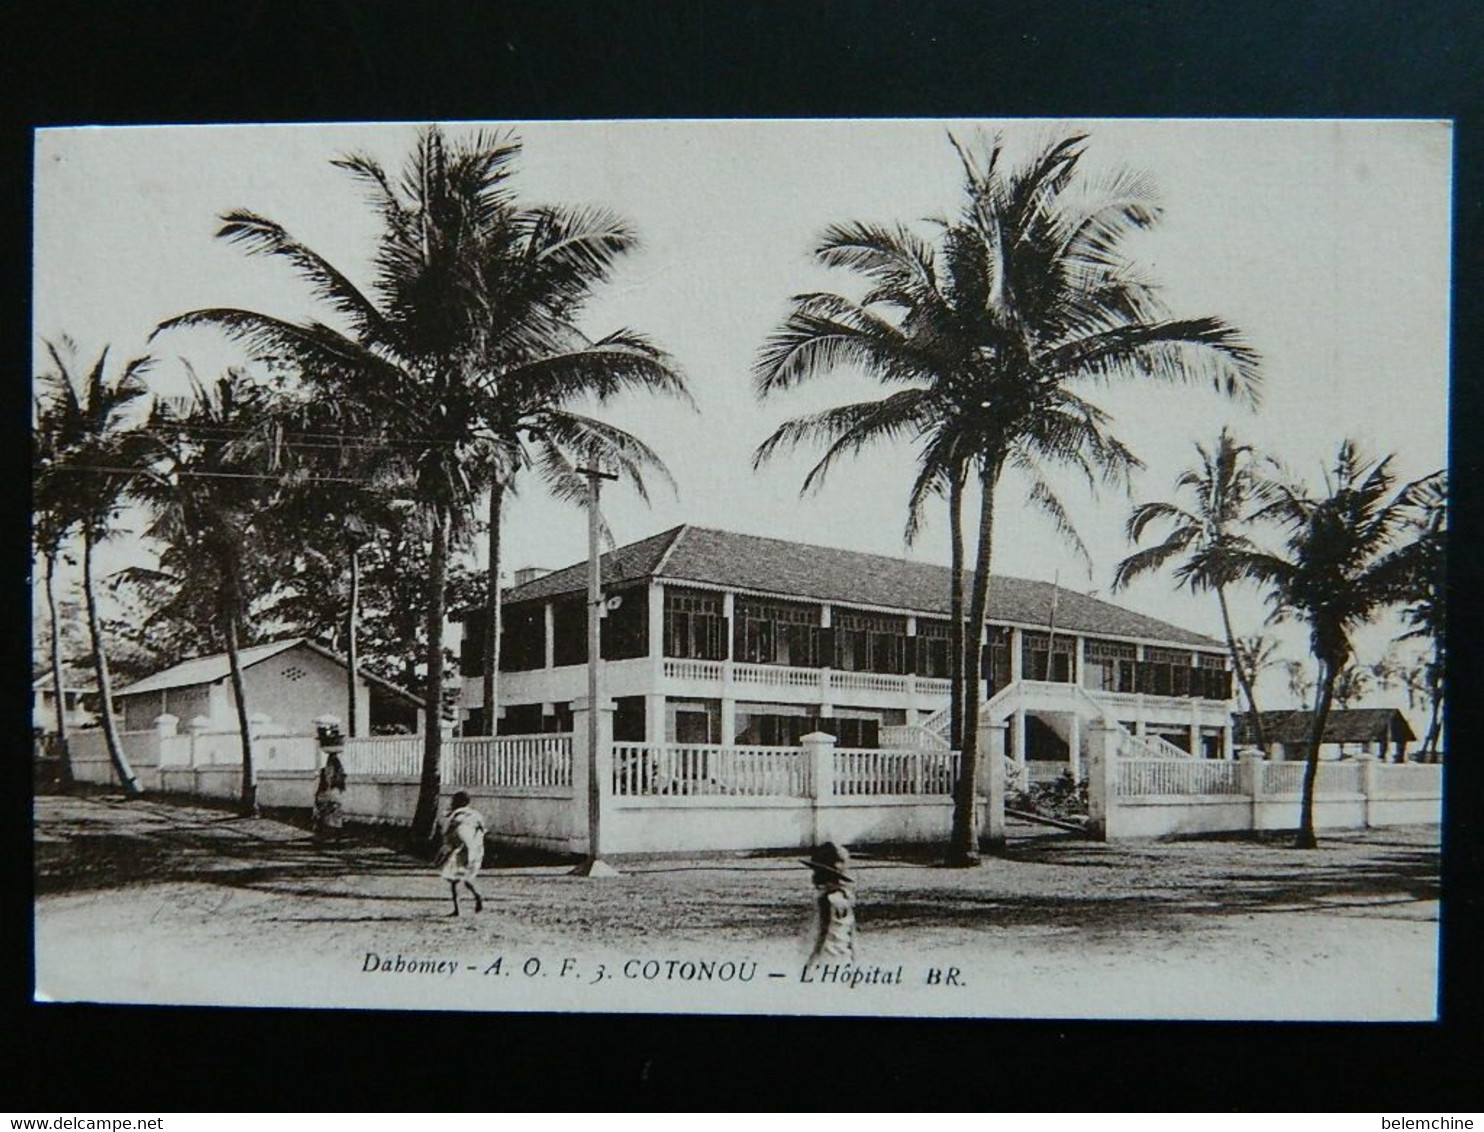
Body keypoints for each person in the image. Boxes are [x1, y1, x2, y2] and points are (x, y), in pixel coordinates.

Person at [802, 841, 856, 963]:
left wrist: (812, 961)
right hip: (845, 959)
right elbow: (852, 936)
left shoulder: (825, 899)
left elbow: (823, 934)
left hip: (827, 959)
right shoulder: (846, 897)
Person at [437, 791, 487, 916]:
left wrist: (446, 846)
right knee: (468, 878)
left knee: (454, 880)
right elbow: (483, 830)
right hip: (474, 850)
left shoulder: (455, 816)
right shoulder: (476, 814)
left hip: (459, 850)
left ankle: (457, 908)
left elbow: (448, 832)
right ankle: (478, 896)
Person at [312, 753, 347, 844]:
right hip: (331, 794)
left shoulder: (333, 773)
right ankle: (330, 836)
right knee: (329, 815)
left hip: (331, 794)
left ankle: (330, 836)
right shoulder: (335, 772)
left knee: (329, 815)